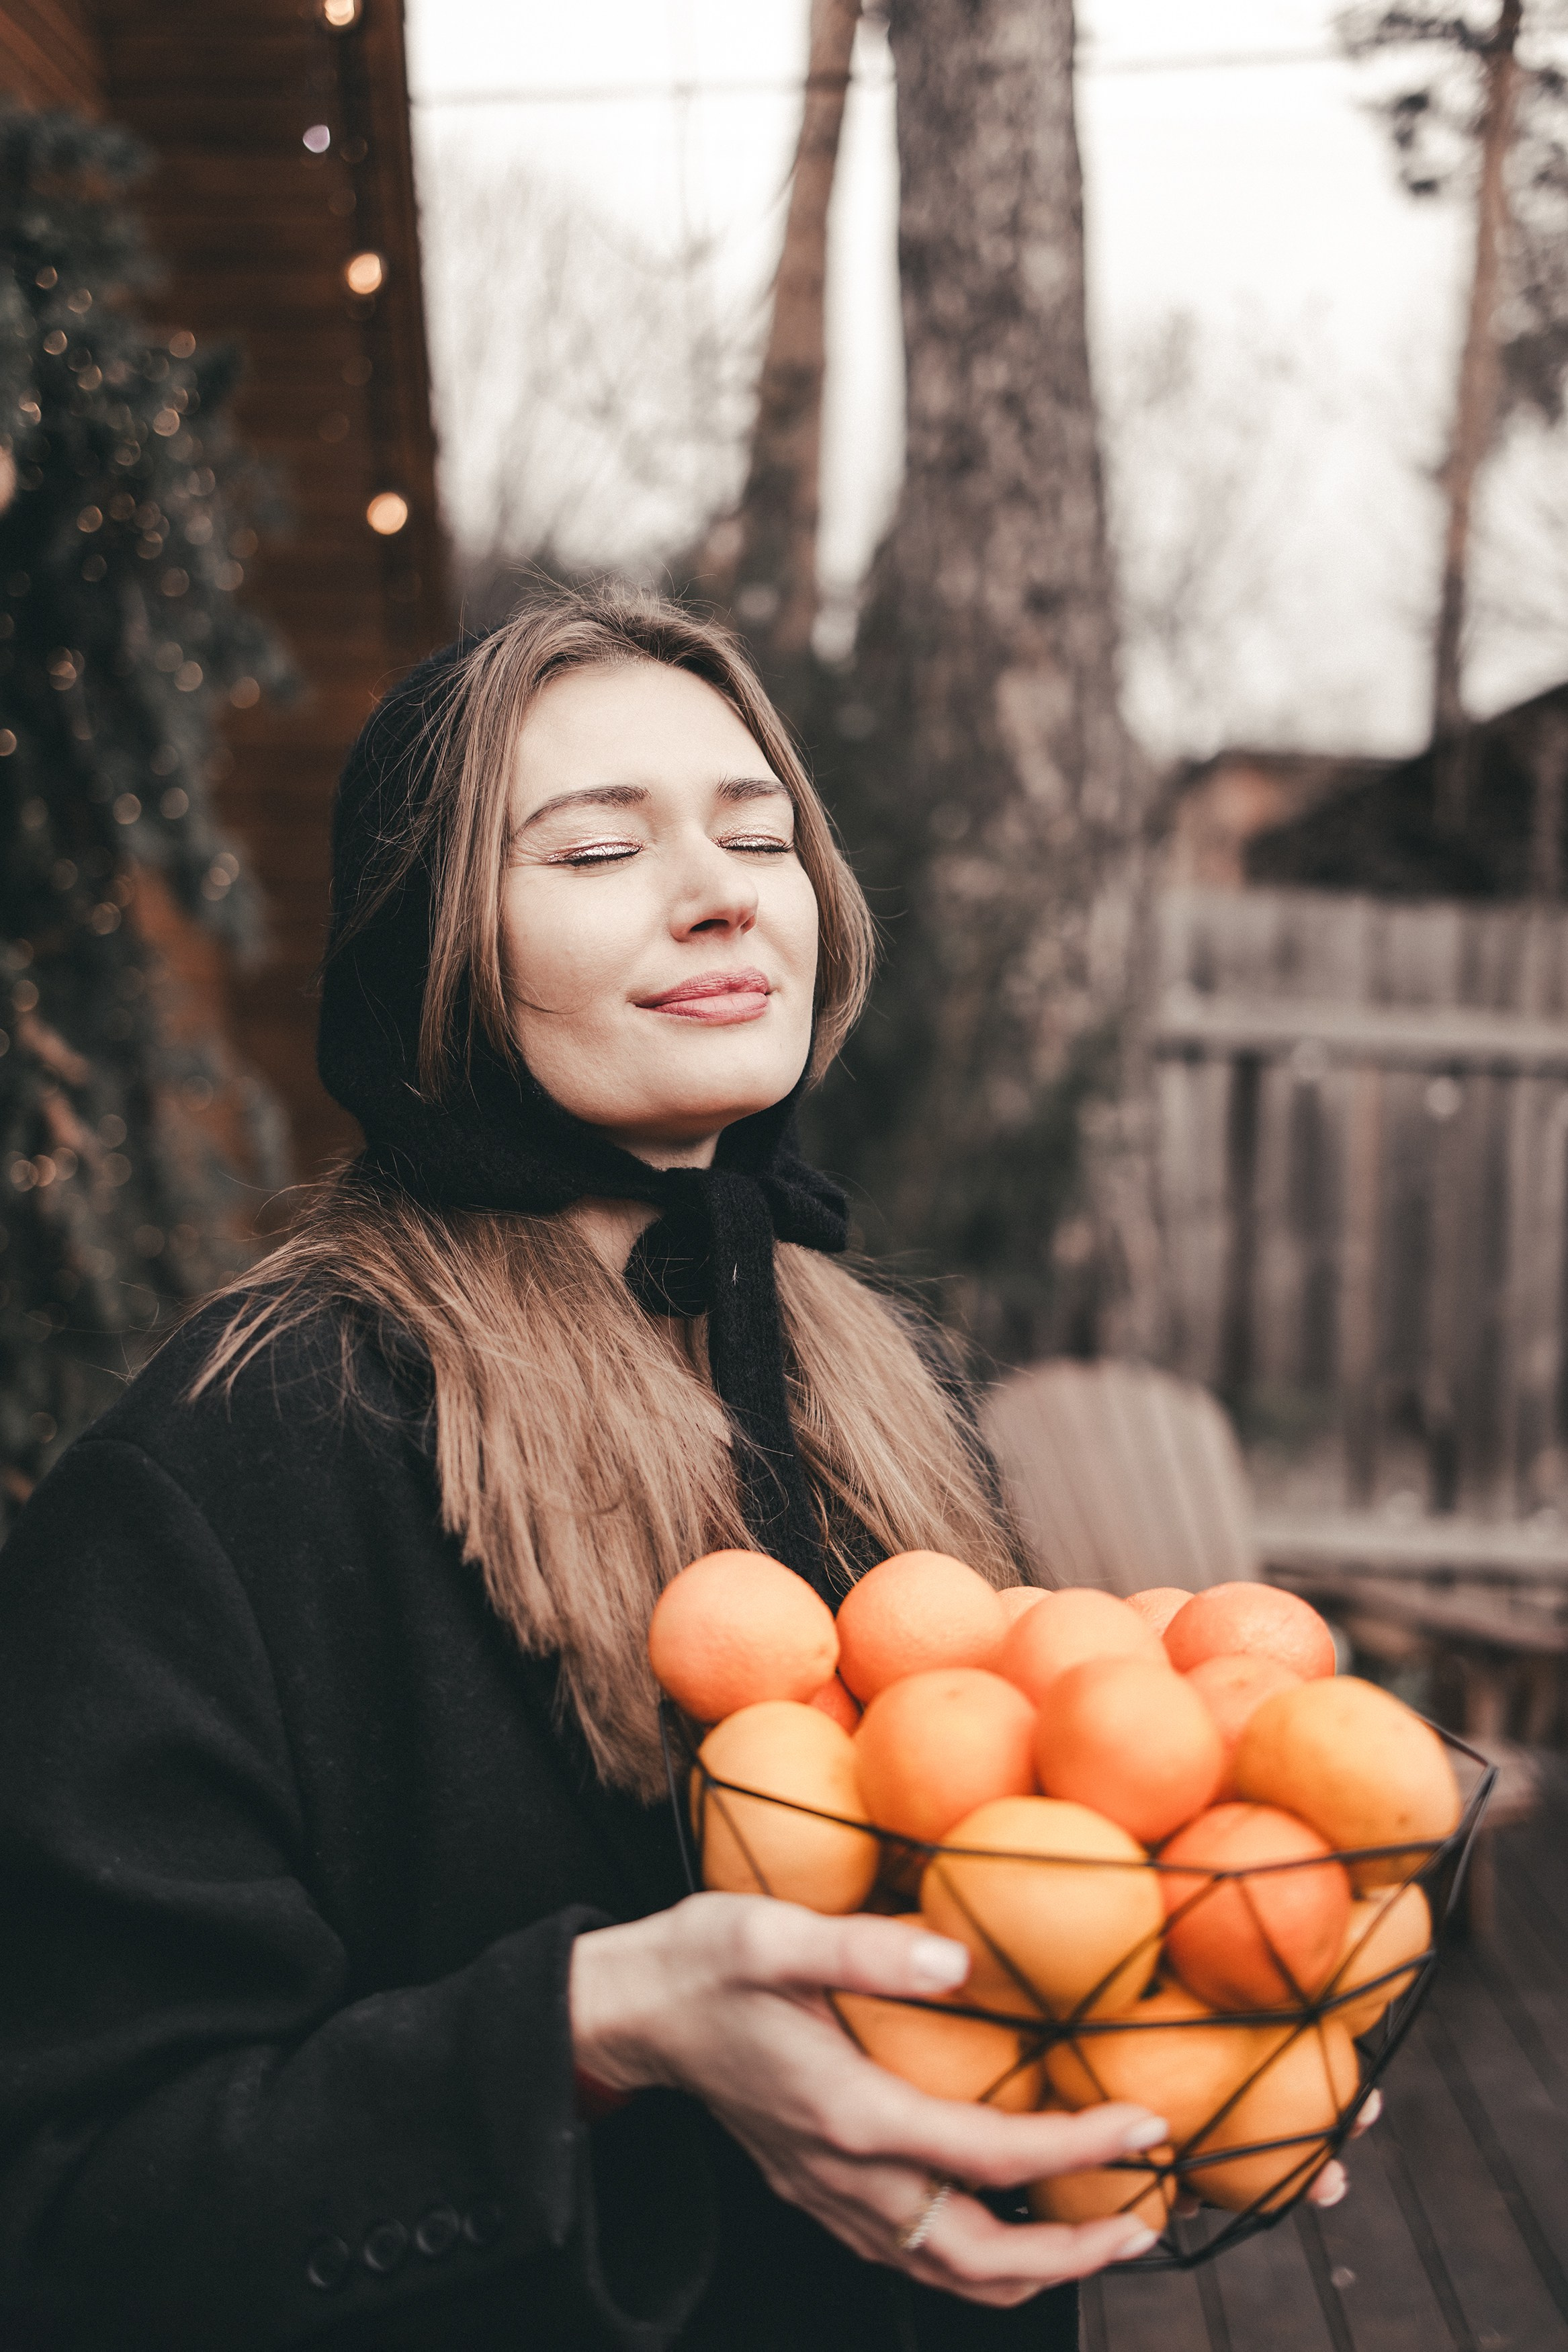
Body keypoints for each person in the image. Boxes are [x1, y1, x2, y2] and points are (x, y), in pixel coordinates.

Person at [0, 586, 1344, 2352]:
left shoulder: (886, 1379)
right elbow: (75, 2211)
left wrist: (1178, 2005)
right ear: (433, 948)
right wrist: (593, 2022)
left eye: (759, 830)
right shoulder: (236, 1459)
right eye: (594, 848)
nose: (719, 888)